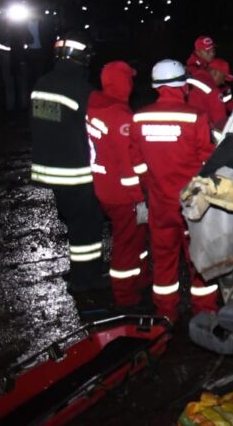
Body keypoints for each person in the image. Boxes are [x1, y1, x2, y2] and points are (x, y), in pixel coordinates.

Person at [130, 59, 218, 322]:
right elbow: (208, 162)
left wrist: (152, 186)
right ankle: (205, 313)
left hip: (160, 205)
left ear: (157, 86)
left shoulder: (139, 118)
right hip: (193, 207)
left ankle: (165, 315)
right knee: (200, 262)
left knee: (164, 263)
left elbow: (137, 163)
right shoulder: (195, 117)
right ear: (183, 85)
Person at [30, 30, 106, 294]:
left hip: (50, 170)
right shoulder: (81, 89)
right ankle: (86, 278)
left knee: (74, 222)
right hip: (76, 172)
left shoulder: (42, 83)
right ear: (81, 57)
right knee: (87, 227)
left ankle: (82, 271)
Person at [85, 61, 149, 310]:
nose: (132, 84)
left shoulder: (94, 107)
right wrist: (139, 197)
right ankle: (125, 296)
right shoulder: (119, 115)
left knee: (135, 239)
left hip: (103, 186)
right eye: (129, 79)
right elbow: (127, 163)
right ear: (122, 82)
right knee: (125, 245)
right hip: (122, 194)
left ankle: (141, 278)